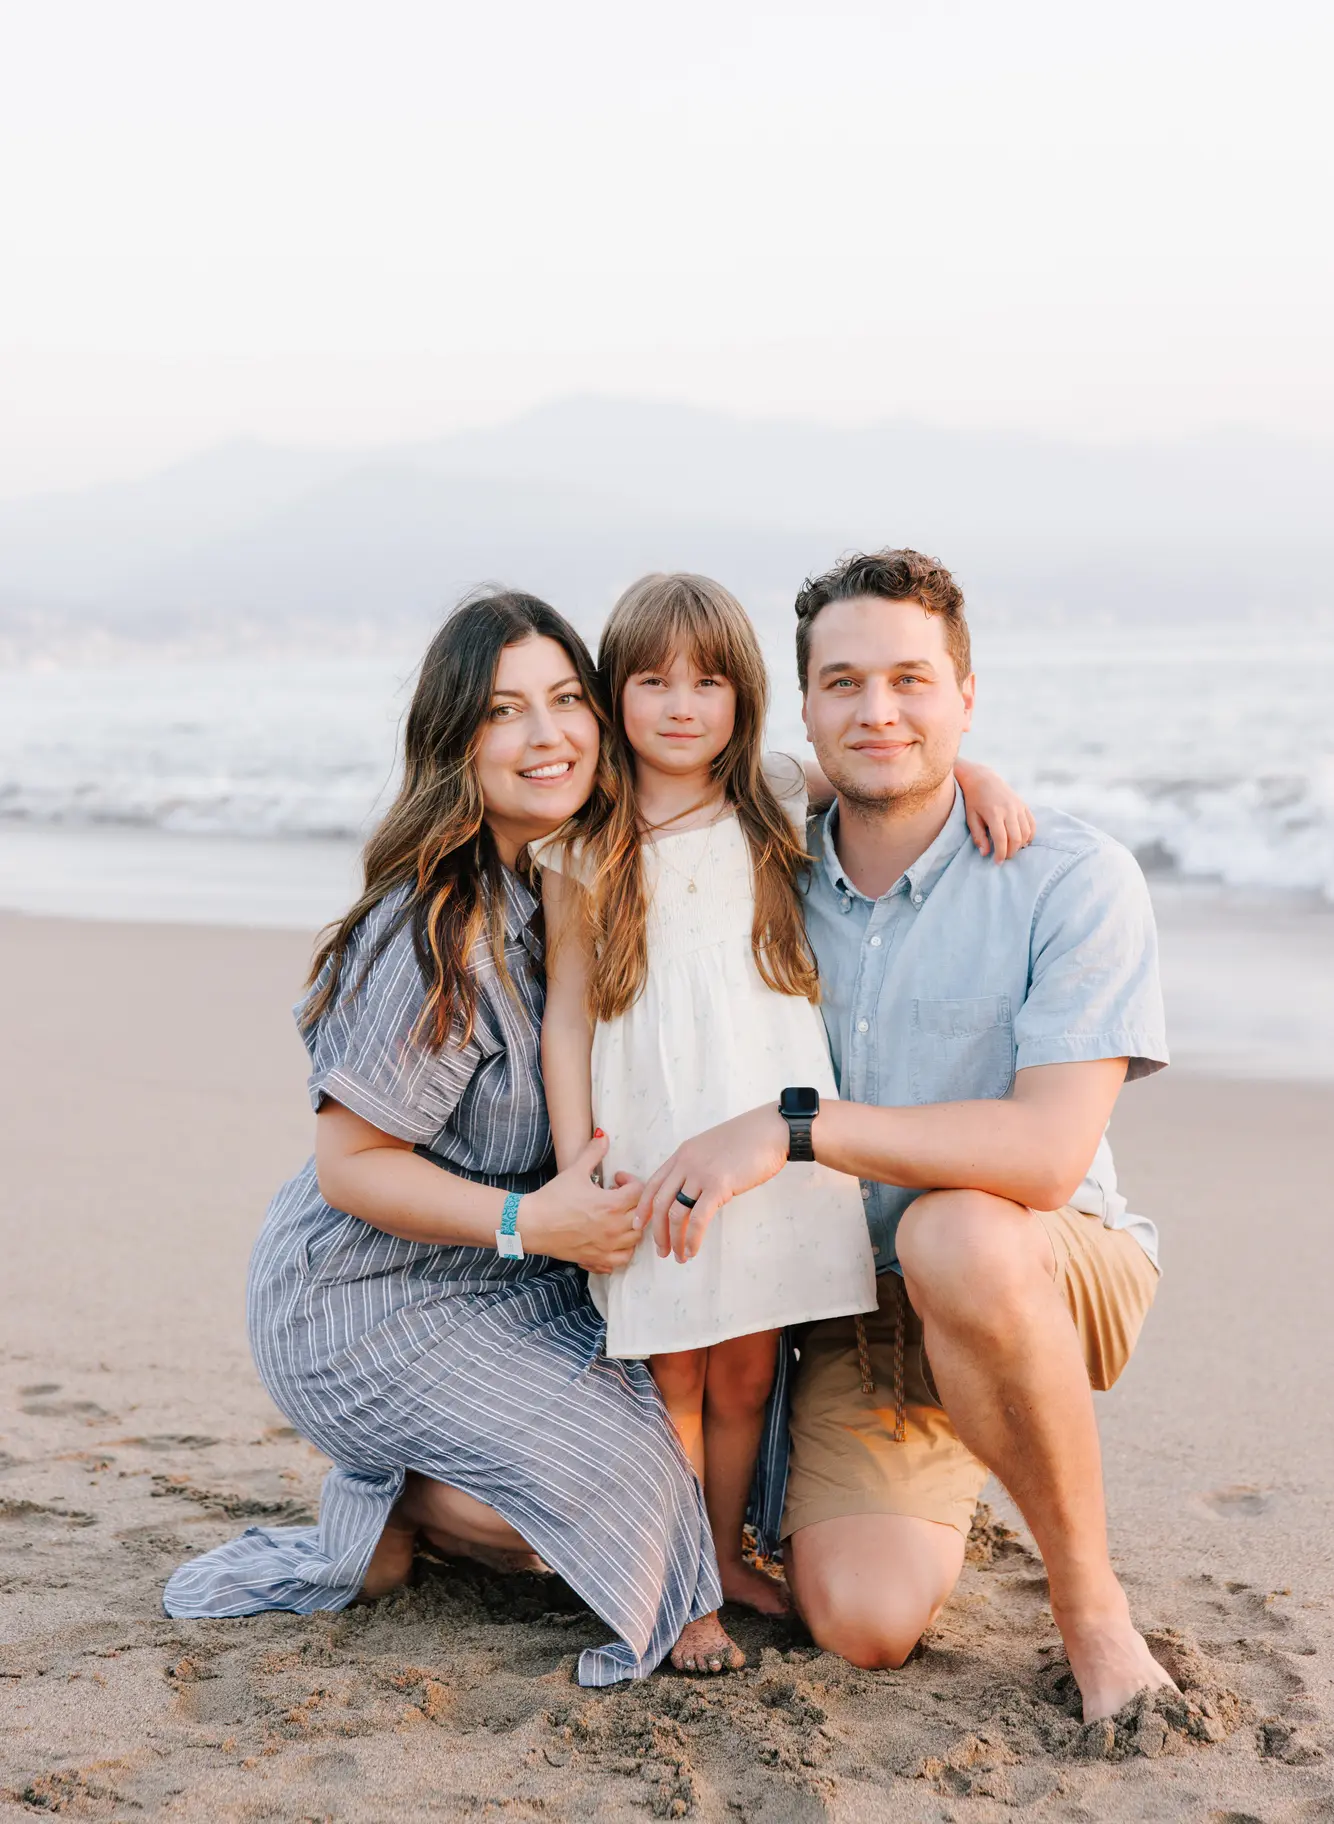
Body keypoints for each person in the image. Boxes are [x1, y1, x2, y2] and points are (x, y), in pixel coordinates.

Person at [635, 548, 1175, 1723]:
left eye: (910, 681)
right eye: (842, 684)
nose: (877, 711)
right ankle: (973, 1430)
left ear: (963, 694)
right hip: (853, 1299)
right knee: (863, 1623)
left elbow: (1043, 1155)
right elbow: (666, 783)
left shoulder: (1066, 877)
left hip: (1038, 1249)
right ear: (806, 708)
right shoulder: (761, 859)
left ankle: (1090, 1606)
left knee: (960, 1235)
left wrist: (799, 1127)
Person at [162, 589, 722, 1686]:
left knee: (703, 1428)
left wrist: (966, 782)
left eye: (566, 699)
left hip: (522, 1275)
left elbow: (767, 796)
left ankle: (464, 1474)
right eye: (506, 710)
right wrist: (529, 1218)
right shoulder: (433, 928)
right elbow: (350, 1161)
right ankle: (387, 1500)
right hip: (371, 1291)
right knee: (581, 1508)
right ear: (456, 742)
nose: (547, 733)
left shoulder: (595, 867)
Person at [539, 570, 1033, 1676]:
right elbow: (566, 1016)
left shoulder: (768, 788)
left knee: (748, 1374)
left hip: (772, 1136)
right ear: (612, 694)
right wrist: (578, 1152)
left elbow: (898, 768)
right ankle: (674, 1589)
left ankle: (719, 1556)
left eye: (708, 680)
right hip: (654, 1129)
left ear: (746, 694)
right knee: (672, 1372)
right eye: (652, 681)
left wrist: (985, 776)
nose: (680, 705)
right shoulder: (587, 837)